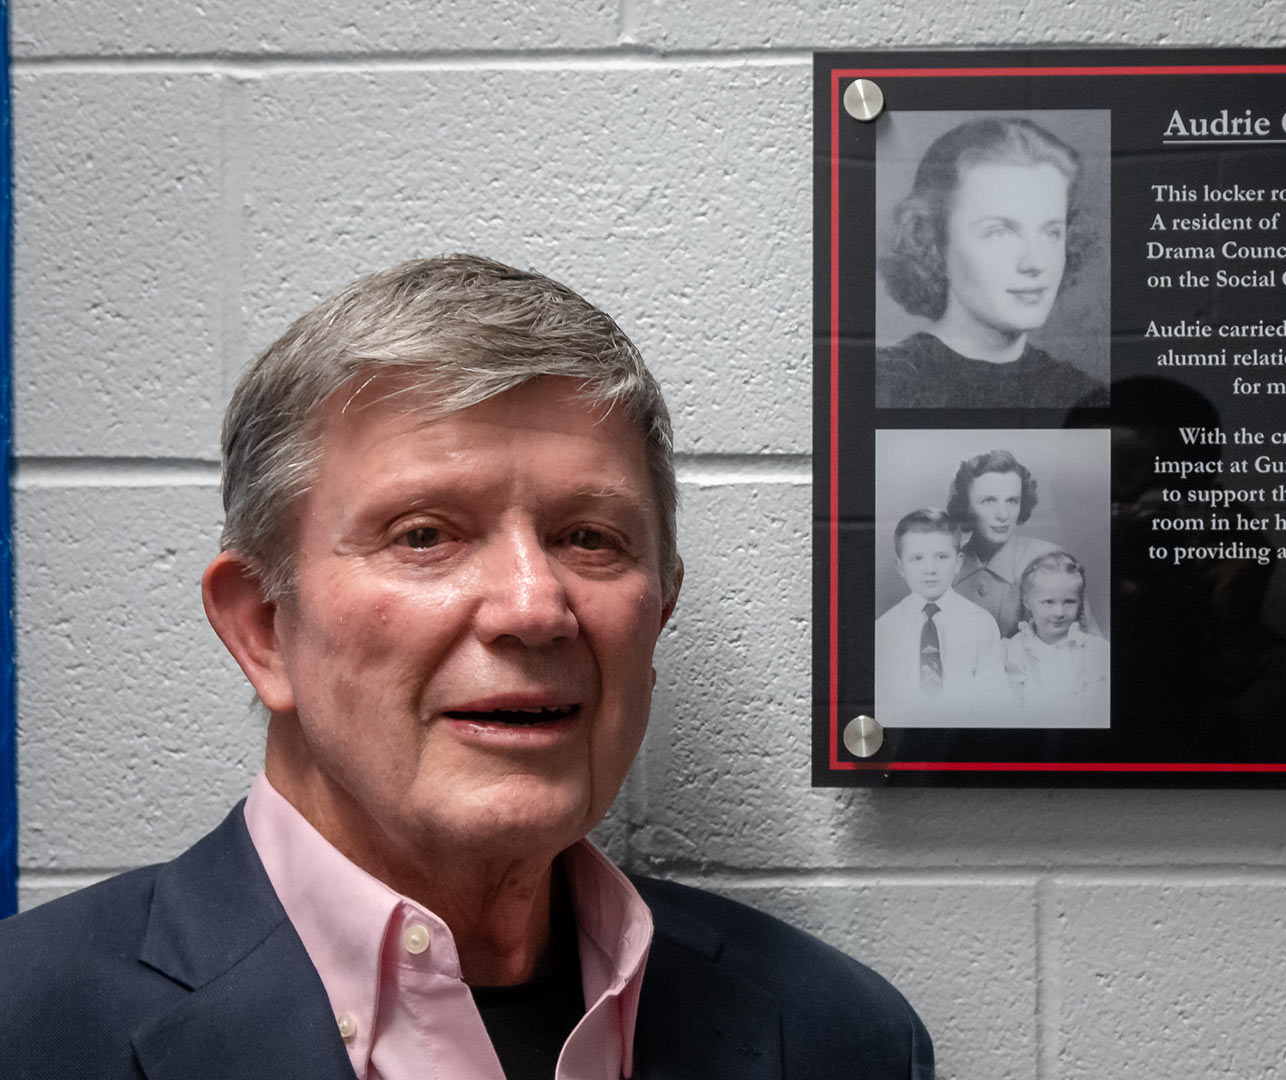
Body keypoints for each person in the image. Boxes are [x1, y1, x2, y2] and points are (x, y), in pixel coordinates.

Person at [0, 255, 934, 1079]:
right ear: (263, 630)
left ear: (660, 610)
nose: (534, 607)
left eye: (590, 538)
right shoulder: (27, 1028)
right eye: (424, 536)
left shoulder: (838, 1036)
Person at [876, 116, 1107, 409]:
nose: (1035, 262)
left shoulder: (1085, 396)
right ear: (932, 242)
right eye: (999, 232)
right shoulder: (886, 383)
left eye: (1051, 232)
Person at [873, 509, 1007, 724]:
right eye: (917, 558)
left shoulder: (981, 624)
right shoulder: (884, 629)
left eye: (941, 557)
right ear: (900, 566)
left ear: (957, 562)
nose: (930, 569)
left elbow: (994, 697)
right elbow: (881, 703)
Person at [947, 449, 1061, 638]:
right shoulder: (944, 566)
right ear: (966, 506)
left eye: (1012, 501)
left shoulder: (1050, 561)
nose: (1003, 515)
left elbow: (1080, 651)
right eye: (989, 501)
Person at [1004, 552, 1110, 727]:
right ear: (1027, 602)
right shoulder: (1012, 651)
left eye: (1069, 602)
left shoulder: (1096, 651)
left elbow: (1100, 713)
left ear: (1080, 603)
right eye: (1048, 602)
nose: (1059, 613)